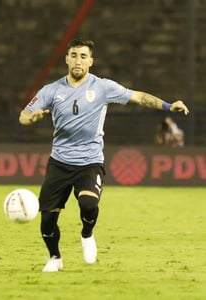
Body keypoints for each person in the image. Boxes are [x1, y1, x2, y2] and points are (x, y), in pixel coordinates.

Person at [19, 38, 189, 272]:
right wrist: (33, 117)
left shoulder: (102, 87)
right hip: (59, 162)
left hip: (90, 162)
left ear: (91, 61)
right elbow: (24, 115)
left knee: (88, 203)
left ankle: (87, 234)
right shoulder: (51, 90)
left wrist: (169, 106)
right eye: (74, 55)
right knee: (47, 220)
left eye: (83, 56)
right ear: (66, 59)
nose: (78, 60)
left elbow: (138, 97)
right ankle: (55, 258)